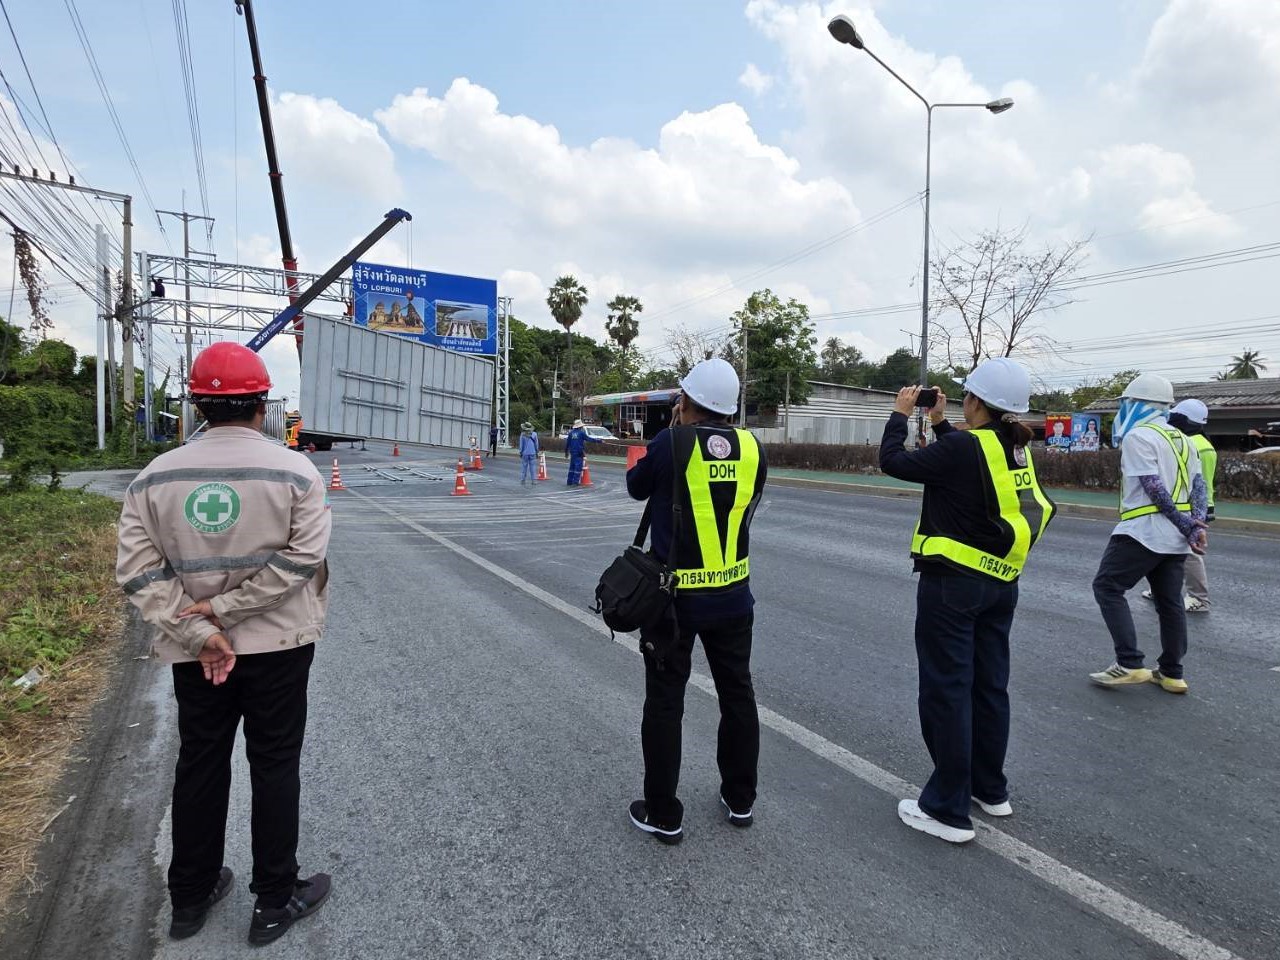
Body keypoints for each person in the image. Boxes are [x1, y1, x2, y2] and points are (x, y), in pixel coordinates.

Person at [116, 342, 333, 946]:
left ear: (197, 406)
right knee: (275, 763)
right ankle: (274, 901)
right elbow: (302, 561)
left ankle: (189, 898)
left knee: (201, 761)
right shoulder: (297, 472)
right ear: (263, 404)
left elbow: (137, 572)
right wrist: (228, 613)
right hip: (279, 645)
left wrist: (202, 631)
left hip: (198, 654)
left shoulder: (154, 478)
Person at [879, 358, 1057, 845]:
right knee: (989, 687)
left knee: (947, 691)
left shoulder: (964, 447)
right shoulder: (1014, 447)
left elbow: (893, 462)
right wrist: (938, 422)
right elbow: (965, 467)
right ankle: (989, 789)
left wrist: (900, 415)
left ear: (975, 401)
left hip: (953, 586)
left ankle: (947, 810)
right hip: (1001, 584)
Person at [625, 358, 768, 844]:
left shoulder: (672, 442)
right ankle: (740, 799)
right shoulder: (752, 447)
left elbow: (636, 487)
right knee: (738, 695)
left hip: (675, 602)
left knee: (666, 703)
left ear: (685, 402)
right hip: (734, 596)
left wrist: (667, 436)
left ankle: (663, 813)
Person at [1089, 374, 1207, 695]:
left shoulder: (1138, 437)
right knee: (1170, 603)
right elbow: (1198, 487)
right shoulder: (1184, 439)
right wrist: (1194, 525)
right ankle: (1172, 673)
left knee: (1107, 587)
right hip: (1175, 538)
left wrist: (1187, 525)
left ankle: (1129, 662)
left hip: (1142, 531)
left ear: (1137, 403)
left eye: (1126, 402)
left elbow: (1152, 487)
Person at [1142, 398, 1215, 612]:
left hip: (1191, 507)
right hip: (1186, 505)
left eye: (1176, 416)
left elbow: (1197, 483)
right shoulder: (1195, 441)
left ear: (1185, 420)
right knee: (1164, 546)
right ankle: (1160, 589)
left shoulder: (1194, 445)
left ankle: (1199, 598)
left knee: (1189, 552)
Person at [564, 418, 602, 485]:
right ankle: (575, 482)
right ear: (580, 426)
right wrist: (599, 441)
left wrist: (566, 452)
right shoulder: (581, 433)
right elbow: (589, 439)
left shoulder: (571, 433)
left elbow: (567, 443)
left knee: (572, 467)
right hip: (579, 452)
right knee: (578, 468)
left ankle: (569, 482)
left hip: (572, 452)